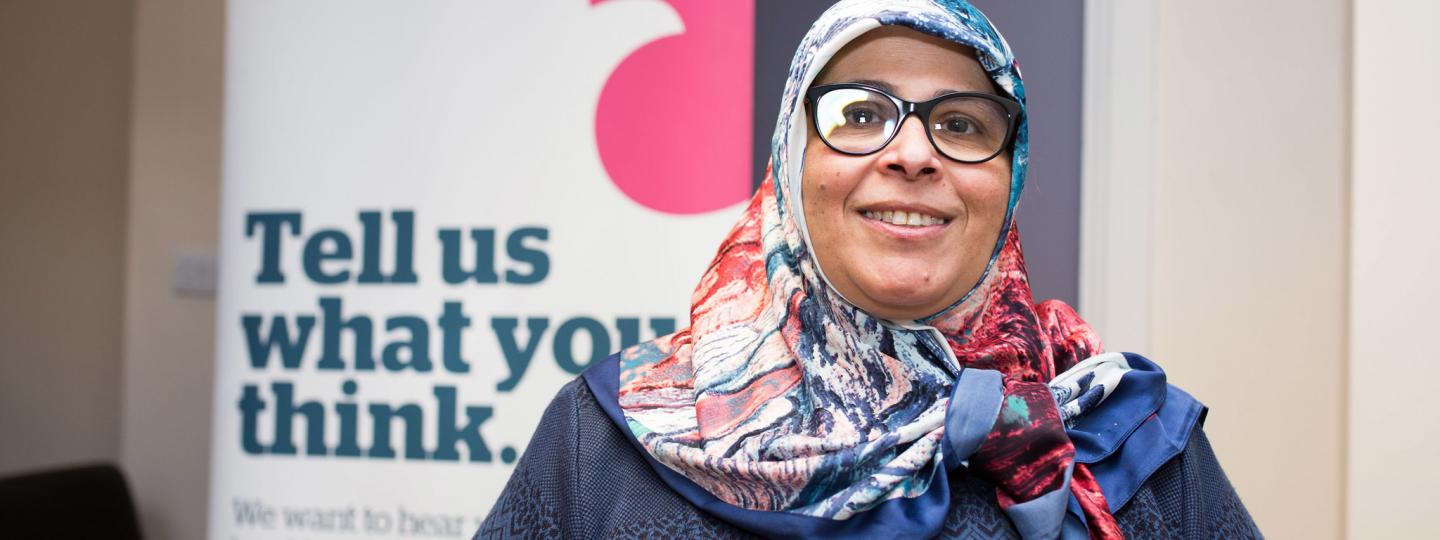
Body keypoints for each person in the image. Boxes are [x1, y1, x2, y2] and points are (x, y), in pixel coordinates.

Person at [477, 1, 1259, 538]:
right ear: (792, 163)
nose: (912, 154)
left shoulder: (1130, 438)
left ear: (1010, 177)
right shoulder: (604, 440)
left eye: (961, 123)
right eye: (860, 115)